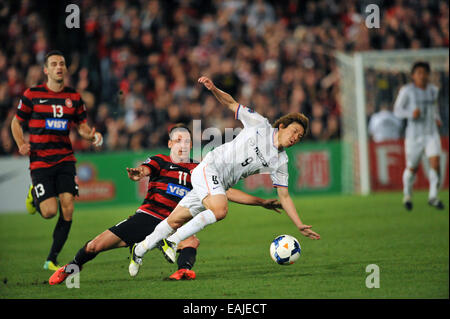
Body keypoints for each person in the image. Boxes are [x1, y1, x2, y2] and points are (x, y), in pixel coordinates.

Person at [128, 76, 320, 277]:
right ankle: (174, 241)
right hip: (210, 167)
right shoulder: (261, 125)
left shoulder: (280, 161)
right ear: (282, 126)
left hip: (217, 183)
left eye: (299, 137)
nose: (295, 137)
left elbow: (284, 196)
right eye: (294, 131)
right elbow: (231, 103)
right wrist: (213, 89)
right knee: (220, 210)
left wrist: (298, 224)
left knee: (174, 220)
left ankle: (139, 250)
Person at [48, 124, 283, 284]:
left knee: (190, 238)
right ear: (170, 144)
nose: (183, 145)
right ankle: (70, 269)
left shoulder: (200, 170)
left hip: (173, 221)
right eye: (178, 140)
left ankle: (183, 270)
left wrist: (262, 202)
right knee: (93, 246)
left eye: (187, 141)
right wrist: (139, 173)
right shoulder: (160, 161)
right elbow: (146, 168)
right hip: (146, 218)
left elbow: (227, 192)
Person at [10, 50, 103, 271]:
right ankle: (34, 194)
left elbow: (81, 126)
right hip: (40, 160)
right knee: (50, 211)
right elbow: (15, 122)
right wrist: (21, 143)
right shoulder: (32, 95)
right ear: (46, 70)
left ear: (65, 69)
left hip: (65, 159)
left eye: (61, 63)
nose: (59, 67)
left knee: (68, 208)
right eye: (54, 64)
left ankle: (51, 259)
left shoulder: (74, 98)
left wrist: (91, 135)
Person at [393, 61, 444, 211]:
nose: (422, 76)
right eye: (419, 73)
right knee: (412, 168)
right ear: (413, 76)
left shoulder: (433, 90)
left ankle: (433, 197)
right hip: (414, 136)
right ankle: (407, 194)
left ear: (428, 75)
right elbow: (397, 110)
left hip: (431, 133)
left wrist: (438, 119)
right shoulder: (406, 91)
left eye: (424, 73)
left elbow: (434, 109)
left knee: (435, 163)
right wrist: (411, 114)